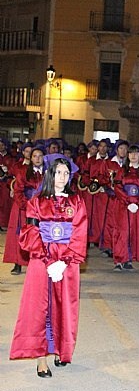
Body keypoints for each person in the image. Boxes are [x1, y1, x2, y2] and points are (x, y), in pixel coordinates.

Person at [10, 154, 87, 377]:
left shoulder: (77, 202)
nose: (62, 177)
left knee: (63, 307)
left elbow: (80, 234)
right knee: (39, 308)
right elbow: (30, 232)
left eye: (66, 173)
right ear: (49, 174)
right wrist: (47, 260)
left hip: (67, 262)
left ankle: (61, 350)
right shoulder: (36, 202)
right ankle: (40, 358)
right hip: (41, 260)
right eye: (58, 172)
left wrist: (64, 261)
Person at [3, 147, 44, 275]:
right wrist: (26, 206)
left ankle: (38, 264)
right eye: (35, 156)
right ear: (30, 158)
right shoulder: (23, 171)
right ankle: (18, 263)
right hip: (24, 207)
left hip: (42, 209)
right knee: (20, 234)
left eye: (40, 156)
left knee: (40, 235)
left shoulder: (48, 173)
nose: (37, 159)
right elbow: (18, 191)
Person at [112, 145, 139, 271]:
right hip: (123, 205)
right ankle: (119, 259)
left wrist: (138, 203)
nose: (133, 156)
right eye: (131, 153)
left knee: (135, 232)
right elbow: (117, 188)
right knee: (122, 231)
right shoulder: (122, 171)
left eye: (136, 153)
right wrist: (128, 202)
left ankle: (129, 259)